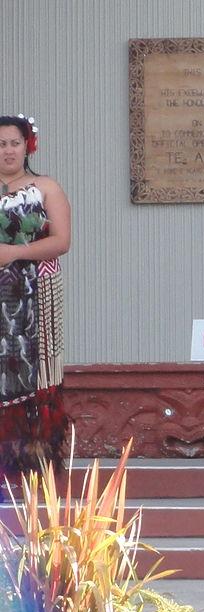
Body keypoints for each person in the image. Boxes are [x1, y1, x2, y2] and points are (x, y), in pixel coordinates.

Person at [0, 114, 71, 479]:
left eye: (14, 142)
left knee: (34, 368)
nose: (8, 150)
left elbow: (61, 241)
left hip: (34, 292)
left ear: (27, 145)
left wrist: (13, 253)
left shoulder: (45, 187)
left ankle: (32, 456)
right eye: (1, 144)